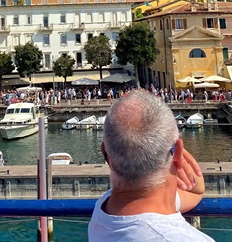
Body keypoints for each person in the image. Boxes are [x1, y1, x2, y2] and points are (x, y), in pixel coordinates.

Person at [88, 89, 213, 241]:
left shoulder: (107, 207)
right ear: (178, 154)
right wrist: (176, 152)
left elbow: (195, 192)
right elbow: (196, 190)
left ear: (105, 154)